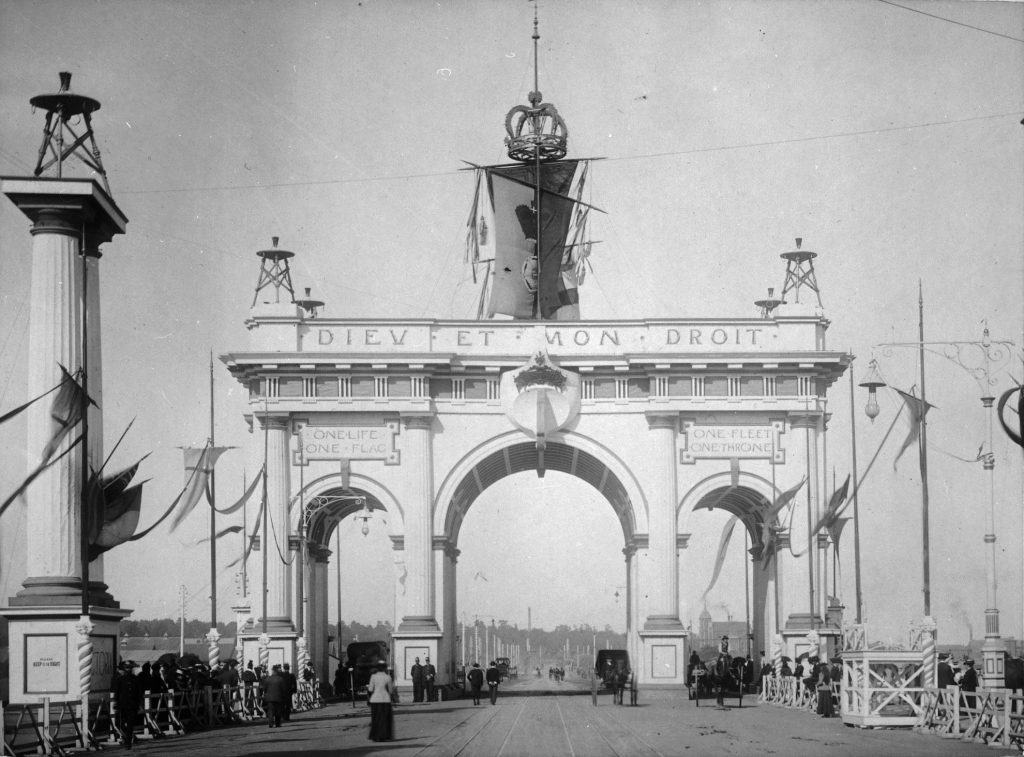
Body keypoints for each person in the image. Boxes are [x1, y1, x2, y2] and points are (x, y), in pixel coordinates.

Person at [112, 660, 142, 749]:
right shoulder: (120, 679)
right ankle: (126, 738)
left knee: (130, 725)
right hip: (123, 706)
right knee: (122, 725)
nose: (128, 669)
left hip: (133, 705)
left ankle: (128, 743)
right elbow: (116, 693)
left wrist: (140, 704)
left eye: (130, 668)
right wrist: (115, 703)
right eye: (126, 668)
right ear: (124, 669)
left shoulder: (136, 679)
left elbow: (139, 693)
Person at [366, 661, 395, 742]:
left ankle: (375, 736)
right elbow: (390, 690)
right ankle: (384, 736)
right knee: (384, 718)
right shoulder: (388, 677)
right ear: (385, 668)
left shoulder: (373, 676)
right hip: (385, 700)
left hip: (375, 700)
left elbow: (370, 689)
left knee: (376, 718)